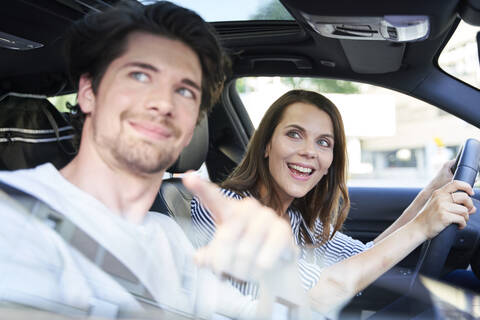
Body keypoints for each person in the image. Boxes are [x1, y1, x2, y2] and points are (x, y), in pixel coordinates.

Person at [0, 2, 305, 319]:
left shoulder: (167, 236)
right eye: (140, 75)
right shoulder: (13, 217)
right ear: (88, 92)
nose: (163, 102)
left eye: (185, 91)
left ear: (191, 130)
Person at [191, 89, 476, 312]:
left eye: (323, 142)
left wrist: (429, 194)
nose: (309, 152)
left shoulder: (294, 217)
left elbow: (365, 256)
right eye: (294, 134)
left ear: (330, 161)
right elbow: (321, 294)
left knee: (458, 287)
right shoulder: (224, 208)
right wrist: (422, 226)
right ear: (266, 144)